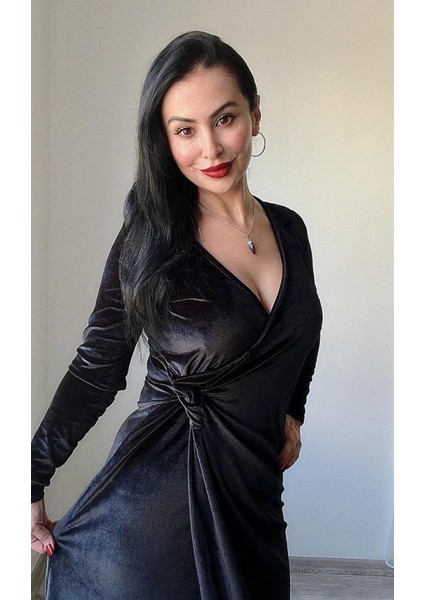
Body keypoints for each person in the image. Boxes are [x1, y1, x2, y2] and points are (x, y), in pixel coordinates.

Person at [31, 30, 322, 600]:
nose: (210, 149)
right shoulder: (149, 239)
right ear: (164, 140)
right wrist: (27, 476)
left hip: (255, 505)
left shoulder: (290, 230)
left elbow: (301, 333)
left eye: (225, 119)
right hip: (153, 525)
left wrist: (293, 409)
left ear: (255, 115)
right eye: (185, 130)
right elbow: (97, 368)